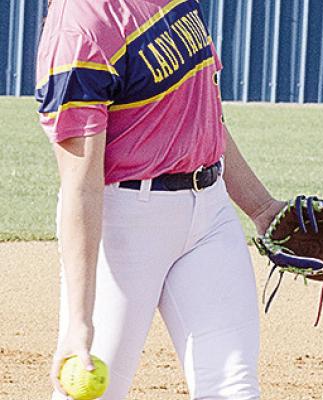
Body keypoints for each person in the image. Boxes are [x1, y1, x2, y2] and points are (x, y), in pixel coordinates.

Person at [35, 0, 283, 398]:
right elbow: (79, 184)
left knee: (233, 387)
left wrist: (262, 208)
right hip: (126, 226)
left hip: (210, 216)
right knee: (95, 392)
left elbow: (206, 117)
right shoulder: (82, 25)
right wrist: (79, 321)